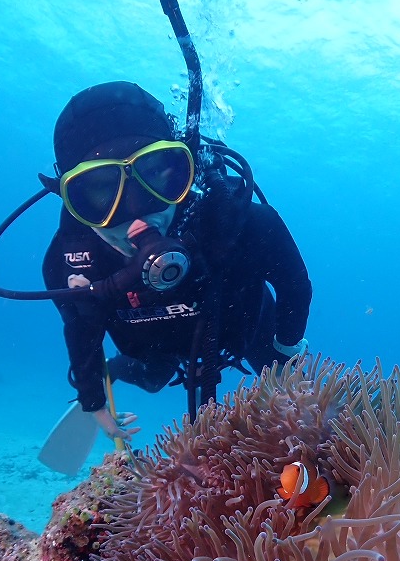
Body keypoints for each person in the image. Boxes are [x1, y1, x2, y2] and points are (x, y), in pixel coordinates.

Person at [42, 81, 312, 441]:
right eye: (102, 189)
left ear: (186, 168)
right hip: (153, 347)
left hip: (241, 326)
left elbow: (295, 285)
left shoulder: (244, 224)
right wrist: (93, 398)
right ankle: (116, 369)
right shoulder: (71, 263)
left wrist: (288, 346)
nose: (136, 212)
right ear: (70, 198)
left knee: (285, 380)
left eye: (155, 174)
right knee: (153, 378)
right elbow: (80, 326)